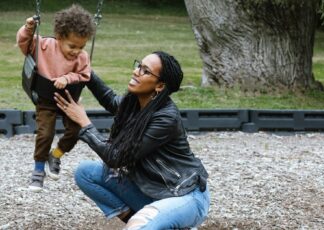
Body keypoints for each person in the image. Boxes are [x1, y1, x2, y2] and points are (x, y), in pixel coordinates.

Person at [54, 51, 210, 229]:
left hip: (185, 196)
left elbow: (117, 158)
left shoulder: (166, 118)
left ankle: (151, 222)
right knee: (86, 172)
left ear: (159, 85)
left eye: (145, 71)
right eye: (139, 66)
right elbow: (110, 99)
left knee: (140, 225)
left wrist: (84, 123)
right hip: (152, 192)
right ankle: (146, 221)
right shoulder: (136, 105)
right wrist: (86, 73)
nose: (136, 72)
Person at [16, 4, 96, 192]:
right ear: (59, 37)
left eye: (82, 46)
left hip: (69, 99)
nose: (77, 51)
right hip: (46, 99)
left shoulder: (82, 57)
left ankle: (56, 154)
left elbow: (85, 75)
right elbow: (24, 43)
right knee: (45, 133)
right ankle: (38, 169)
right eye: (72, 46)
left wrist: (67, 78)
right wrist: (28, 28)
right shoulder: (44, 45)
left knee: (77, 131)